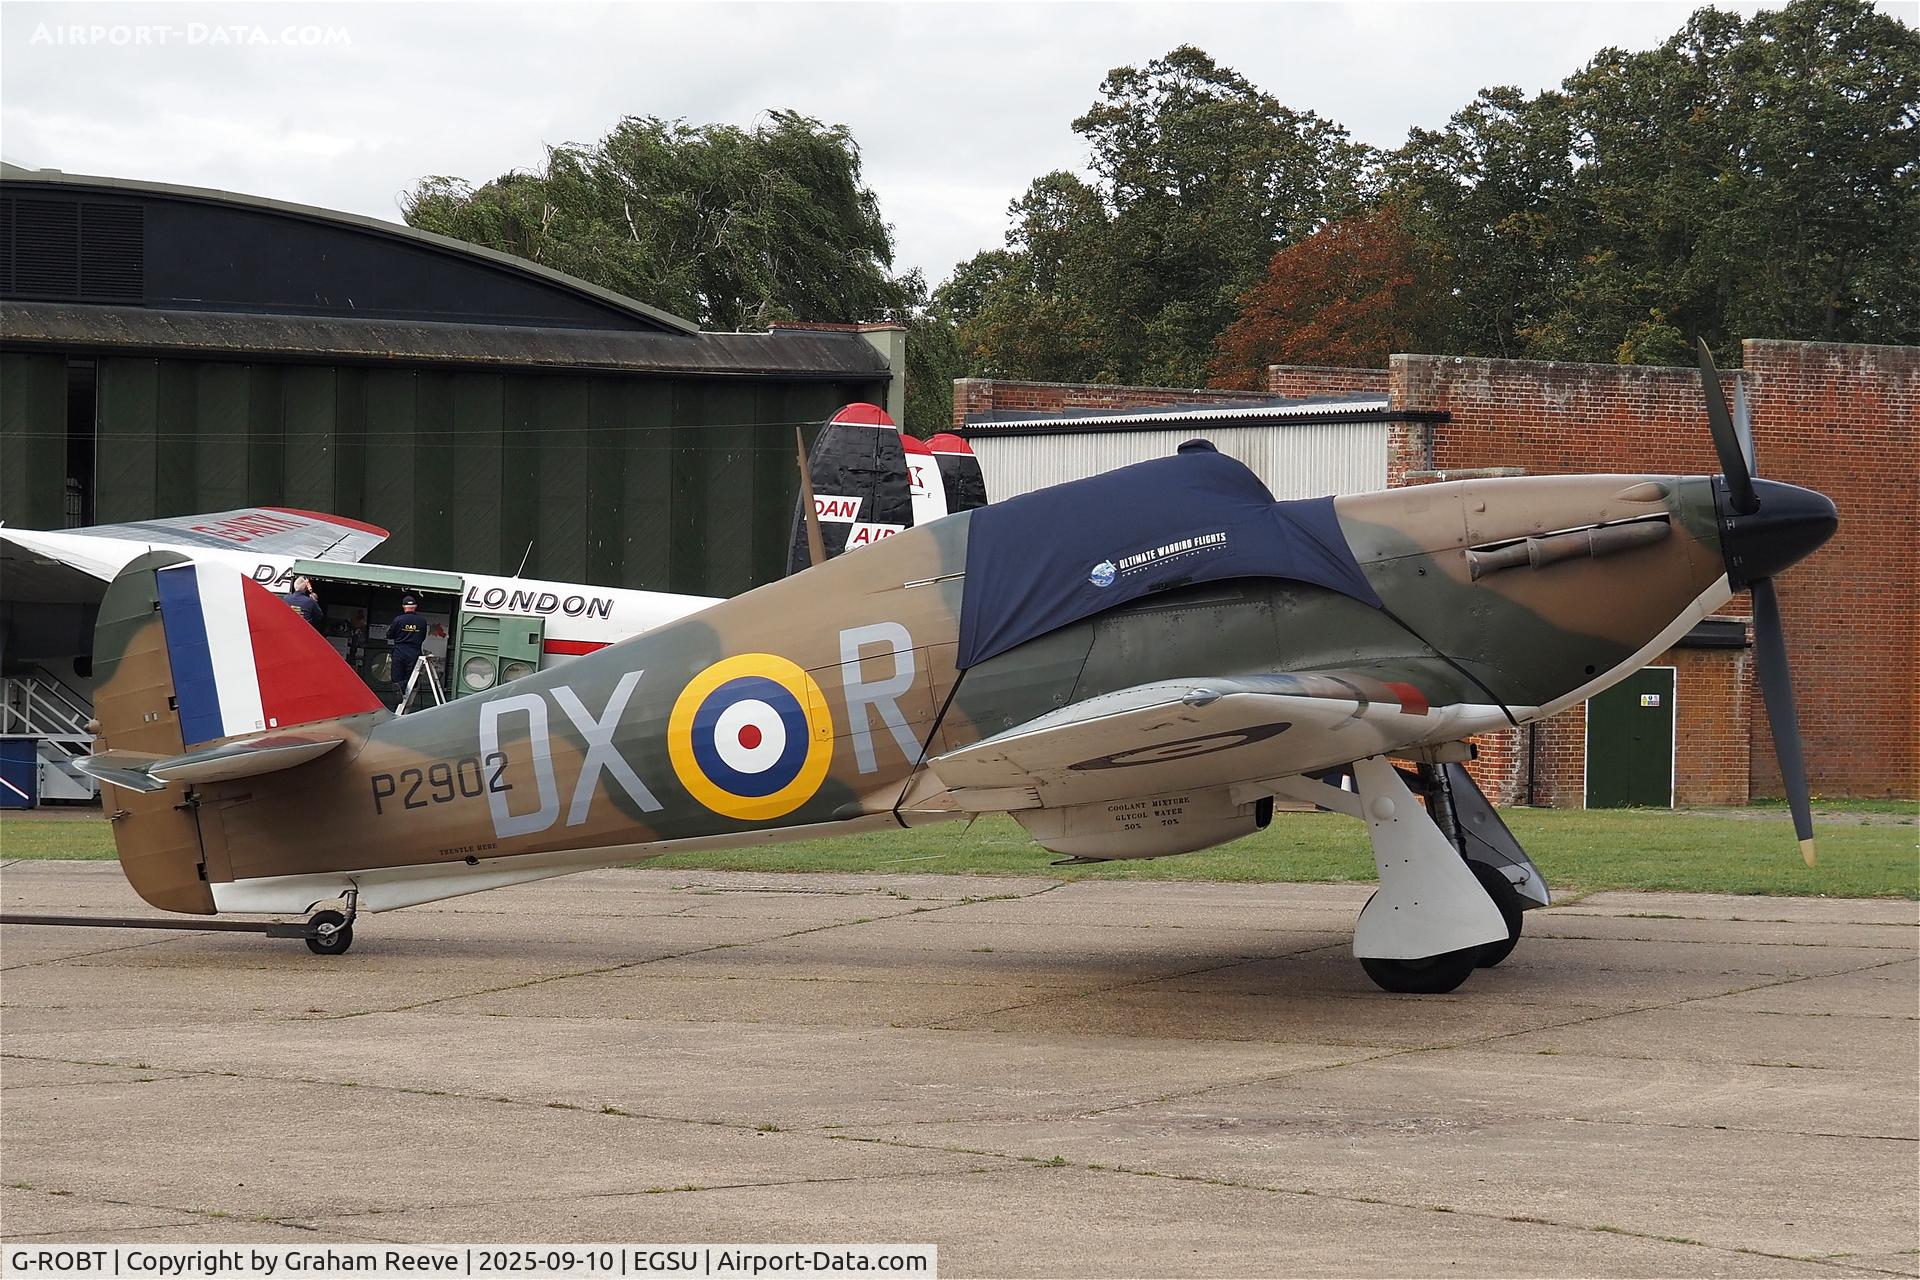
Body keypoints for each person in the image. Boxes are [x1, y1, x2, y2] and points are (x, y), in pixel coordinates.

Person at [387, 593, 430, 701]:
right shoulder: (422, 621)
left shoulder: (398, 619)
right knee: (411, 679)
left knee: (396, 679)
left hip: (399, 651)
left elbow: (389, 635)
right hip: (414, 652)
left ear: (403, 606)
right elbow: (423, 637)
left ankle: (398, 700)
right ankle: (404, 690)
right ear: (415, 606)